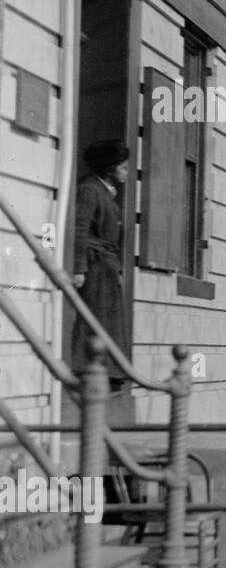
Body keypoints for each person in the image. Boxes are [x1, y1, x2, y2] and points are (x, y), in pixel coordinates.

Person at [70, 140, 130, 386]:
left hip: (107, 265)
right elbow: (80, 228)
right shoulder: (89, 189)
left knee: (109, 320)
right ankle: (87, 371)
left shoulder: (105, 190)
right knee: (94, 319)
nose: (126, 172)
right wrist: (78, 268)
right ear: (109, 167)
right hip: (94, 265)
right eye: (123, 167)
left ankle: (111, 372)